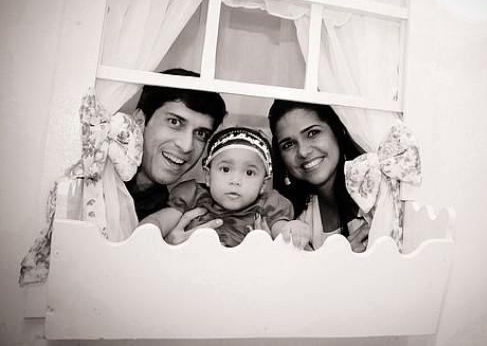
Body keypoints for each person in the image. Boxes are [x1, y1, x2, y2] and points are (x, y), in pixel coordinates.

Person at [140, 126, 307, 247]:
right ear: (208, 176)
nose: (235, 180)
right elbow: (156, 222)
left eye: (249, 173)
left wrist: (293, 229)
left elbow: (284, 233)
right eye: (225, 169)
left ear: (263, 184)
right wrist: (146, 236)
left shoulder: (268, 206)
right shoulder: (192, 196)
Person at [126, 68, 228, 243]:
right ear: (139, 121)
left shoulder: (172, 213)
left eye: (201, 133)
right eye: (175, 122)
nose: (186, 146)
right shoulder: (90, 179)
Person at [268, 100, 370, 252]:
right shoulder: (289, 218)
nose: (303, 152)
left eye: (312, 133)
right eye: (288, 144)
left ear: (337, 131)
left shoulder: (376, 194)